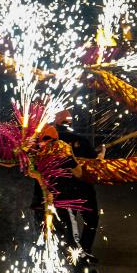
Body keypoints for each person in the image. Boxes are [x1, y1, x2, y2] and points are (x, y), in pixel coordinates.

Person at [31, 124, 98, 273]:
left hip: (44, 203)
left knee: (52, 238)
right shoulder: (64, 154)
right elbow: (79, 173)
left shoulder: (37, 155)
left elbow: (33, 173)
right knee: (71, 239)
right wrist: (73, 157)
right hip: (63, 203)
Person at [53, 109, 102, 262]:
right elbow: (94, 162)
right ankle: (84, 251)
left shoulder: (51, 141)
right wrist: (101, 154)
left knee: (68, 223)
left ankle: (70, 252)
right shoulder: (81, 140)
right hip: (82, 188)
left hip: (61, 189)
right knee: (91, 220)